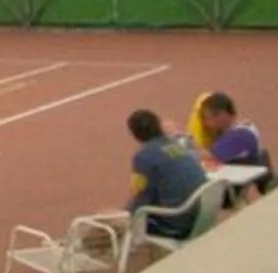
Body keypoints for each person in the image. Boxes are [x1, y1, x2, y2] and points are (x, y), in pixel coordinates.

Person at [80, 109, 210, 260]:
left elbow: (141, 198)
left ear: (135, 134)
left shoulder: (145, 157)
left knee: (106, 219)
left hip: (175, 225)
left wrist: (119, 216)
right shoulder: (177, 146)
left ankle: (84, 250)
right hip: (200, 216)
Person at [195, 90, 268, 196]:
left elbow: (208, 156)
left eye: (206, 118)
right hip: (233, 181)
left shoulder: (238, 135)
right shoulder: (240, 129)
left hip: (229, 189)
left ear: (220, 116)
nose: (204, 124)